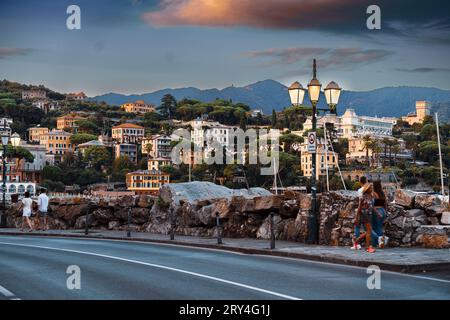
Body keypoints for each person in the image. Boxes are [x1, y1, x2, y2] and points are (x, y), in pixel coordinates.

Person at [353, 183, 376, 253]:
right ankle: (367, 247)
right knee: (369, 231)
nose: (372, 189)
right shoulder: (362, 197)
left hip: (370, 215)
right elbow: (359, 208)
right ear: (367, 189)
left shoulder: (371, 196)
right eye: (370, 188)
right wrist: (356, 218)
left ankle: (356, 241)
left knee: (368, 231)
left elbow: (372, 206)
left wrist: (377, 213)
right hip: (364, 215)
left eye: (372, 188)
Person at [351, 176, 368, 250]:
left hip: (362, 211)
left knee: (357, 226)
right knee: (368, 229)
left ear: (360, 182)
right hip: (368, 211)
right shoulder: (369, 190)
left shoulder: (360, 190)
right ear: (366, 181)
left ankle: (357, 243)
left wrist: (357, 214)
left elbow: (360, 203)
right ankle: (378, 239)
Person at [372, 180, 388, 248]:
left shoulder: (374, 193)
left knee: (376, 228)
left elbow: (372, 204)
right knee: (380, 227)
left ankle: (378, 243)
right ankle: (381, 242)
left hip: (377, 211)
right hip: (383, 210)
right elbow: (385, 204)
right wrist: (385, 212)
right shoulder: (382, 193)